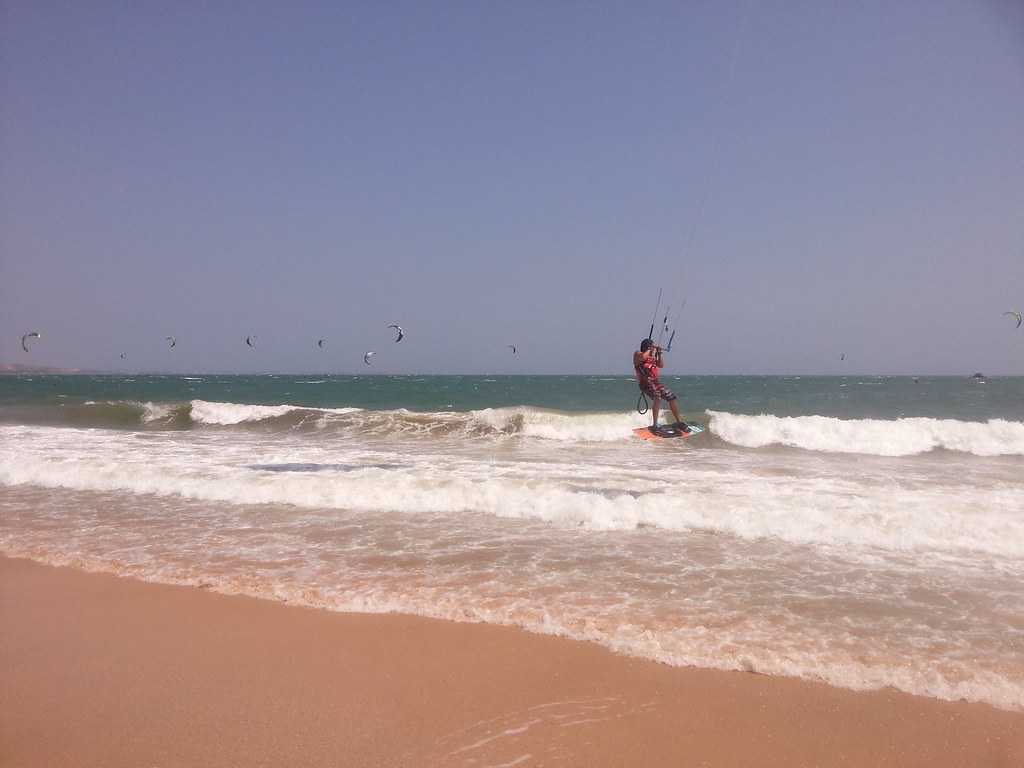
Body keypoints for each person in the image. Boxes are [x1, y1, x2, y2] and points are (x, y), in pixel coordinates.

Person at [634, 338, 687, 433]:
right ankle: (655, 425)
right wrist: (650, 349)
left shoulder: (652, 357)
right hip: (645, 384)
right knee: (657, 397)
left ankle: (679, 421)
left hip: (656, 383)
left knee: (671, 397)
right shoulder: (638, 354)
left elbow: (661, 365)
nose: (653, 349)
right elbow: (642, 358)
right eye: (652, 346)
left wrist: (659, 353)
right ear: (647, 347)